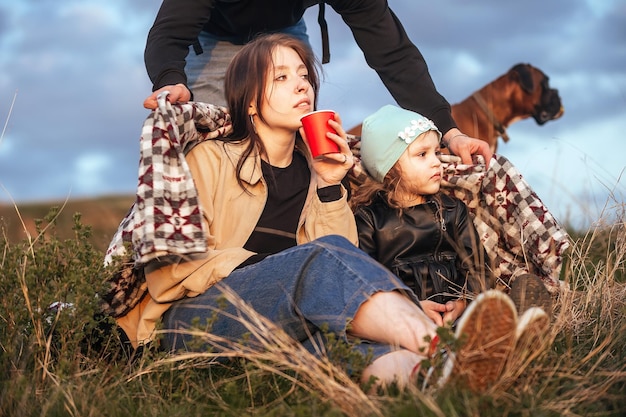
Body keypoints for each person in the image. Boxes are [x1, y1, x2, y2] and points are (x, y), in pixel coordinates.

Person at [109, 33, 518, 391]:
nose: (301, 85)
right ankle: (449, 348)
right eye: (282, 77)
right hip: (190, 325)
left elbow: (342, 257)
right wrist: (276, 269)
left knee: (349, 345)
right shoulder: (209, 160)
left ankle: (434, 380)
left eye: (304, 75)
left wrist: (327, 185)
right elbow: (170, 272)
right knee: (319, 262)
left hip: (276, 329)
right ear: (250, 101)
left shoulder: (316, 173)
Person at [141, 0, 492, 166]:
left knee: (295, 139)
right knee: (220, 146)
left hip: (285, 32)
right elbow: (169, 33)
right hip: (215, 39)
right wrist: (171, 80)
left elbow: (394, 54)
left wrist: (449, 131)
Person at [350, 105, 490, 327]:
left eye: (437, 152)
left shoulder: (453, 210)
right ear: (390, 167)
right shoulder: (370, 219)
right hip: (403, 321)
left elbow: (480, 268)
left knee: (481, 322)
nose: (436, 162)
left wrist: (464, 302)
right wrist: (411, 306)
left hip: (458, 317)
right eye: (422, 154)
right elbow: (366, 282)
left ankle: (517, 323)